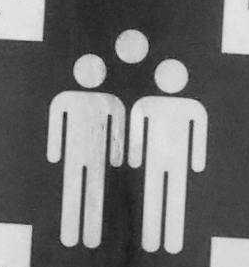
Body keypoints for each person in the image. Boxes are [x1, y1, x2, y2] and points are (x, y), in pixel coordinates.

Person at [126, 56, 207, 255]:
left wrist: (197, 162)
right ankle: (151, 242)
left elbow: (198, 136)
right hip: (155, 161)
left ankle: (172, 243)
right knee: (153, 196)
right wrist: (134, 159)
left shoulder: (193, 108)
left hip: (177, 162)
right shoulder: (147, 103)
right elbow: (137, 133)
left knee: (175, 198)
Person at [45, 51, 123, 247]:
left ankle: (90, 237)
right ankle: (70, 236)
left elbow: (116, 129)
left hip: (96, 156)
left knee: (94, 191)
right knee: (73, 190)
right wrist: (54, 153)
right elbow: (56, 127)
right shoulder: (66, 99)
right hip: (75, 154)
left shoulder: (108, 101)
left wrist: (115, 158)